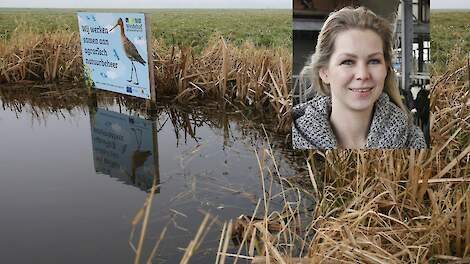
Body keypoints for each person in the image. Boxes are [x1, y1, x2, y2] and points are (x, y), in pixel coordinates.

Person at [292, 6, 426, 149]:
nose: (362, 75)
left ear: (386, 69)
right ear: (325, 72)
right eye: (347, 62)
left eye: (374, 61)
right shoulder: (293, 137)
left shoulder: (413, 142)